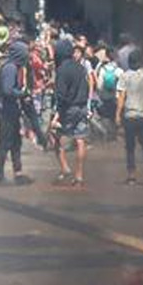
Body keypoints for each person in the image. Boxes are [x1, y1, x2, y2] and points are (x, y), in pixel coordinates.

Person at [116, 49, 143, 185]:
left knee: (130, 147)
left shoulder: (124, 76)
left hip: (130, 116)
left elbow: (121, 97)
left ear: (129, 62)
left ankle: (132, 175)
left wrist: (117, 114)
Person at [51, 39, 90, 186]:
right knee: (80, 140)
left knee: (54, 134)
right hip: (82, 107)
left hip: (68, 109)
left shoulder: (62, 70)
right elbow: (87, 87)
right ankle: (79, 175)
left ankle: (65, 168)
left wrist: (57, 116)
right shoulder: (81, 68)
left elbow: (61, 96)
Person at [0, 41, 32, 186]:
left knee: (16, 142)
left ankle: (18, 173)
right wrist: (22, 93)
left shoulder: (14, 66)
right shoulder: (10, 68)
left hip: (12, 110)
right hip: (6, 111)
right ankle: (0, 176)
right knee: (5, 143)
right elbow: (7, 90)